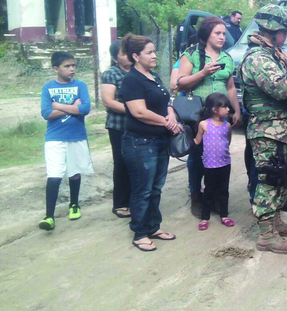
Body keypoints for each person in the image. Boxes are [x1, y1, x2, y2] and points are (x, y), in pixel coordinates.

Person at [238, 4, 287, 254]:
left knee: (281, 176)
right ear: (273, 31)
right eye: (283, 33)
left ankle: (276, 221)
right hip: (267, 130)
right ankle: (266, 236)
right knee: (269, 179)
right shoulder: (258, 58)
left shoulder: (273, 55)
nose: (284, 39)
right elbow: (282, 88)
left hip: (281, 127)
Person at [120, 34, 180, 252]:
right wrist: (167, 123)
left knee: (155, 188)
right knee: (142, 190)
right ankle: (140, 232)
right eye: (149, 52)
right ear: (136, 56)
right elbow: (139, 112)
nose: (155, 55)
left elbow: (166, 101)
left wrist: (171, 114)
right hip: (140, 143)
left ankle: (153, 227)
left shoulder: (152, 76)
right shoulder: (132, 80)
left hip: (158, 140)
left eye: (154, 51)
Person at [177, 17, 241, 218]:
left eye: (224, 33)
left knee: (217, 154)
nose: (222, 37)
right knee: (197, 156)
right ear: (207, 34)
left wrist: (236, 110)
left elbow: (230, 87)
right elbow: (180, 83)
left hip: (219, 117)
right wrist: (202, 73)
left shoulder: (227, 58)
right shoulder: (192, 55)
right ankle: (196, 195)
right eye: (218, 33)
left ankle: (212, 195)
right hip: (198, 114)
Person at [38, 52, 93, 231]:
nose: (72, 69)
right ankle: (49, 216)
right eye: (67, 66)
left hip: (76, 136)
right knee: (54, 175)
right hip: (54, 138)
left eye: (73, 66)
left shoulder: (80, 85)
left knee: (74, 172)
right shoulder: (48, 88)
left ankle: (74, 204)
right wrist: (73, 107)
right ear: (56, 69)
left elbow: (85, 108)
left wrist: (59, 106)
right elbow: (47, 113)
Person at [193, 93, 234, 230]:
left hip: (224, 163)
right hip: (209, 164)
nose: (228, 109)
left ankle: (224, 215)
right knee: (209, 190)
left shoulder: (227, 125)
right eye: (225, 107)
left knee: (223, 190)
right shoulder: (204, 124)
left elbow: (227, 141)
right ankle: (205, 218)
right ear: (214, 109)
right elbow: (197, 141)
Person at [101, 41, 132, 218]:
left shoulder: (139, 71)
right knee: (121, 163)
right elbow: (108, 101)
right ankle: (120, 203)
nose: (128, 55)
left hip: (139, 125)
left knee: (136, 164)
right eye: (123, 53)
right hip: (119, 126)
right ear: (115, 58)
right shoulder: (111, 73)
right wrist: (134, 110)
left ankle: (134, 200)